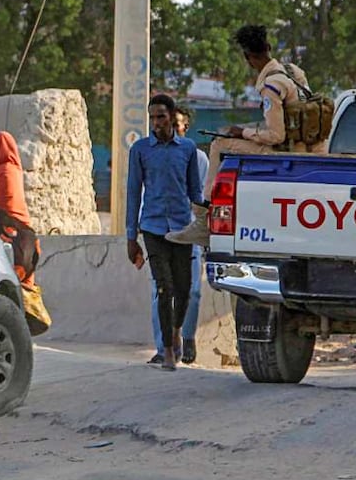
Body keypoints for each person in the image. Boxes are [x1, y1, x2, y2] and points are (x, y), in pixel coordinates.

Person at [167, 24, 323, 247]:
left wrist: (242, 132)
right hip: (307, 146)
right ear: (268, 47)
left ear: (247, 58)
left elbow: (276, 135)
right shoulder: (293, 72)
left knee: (219, 143)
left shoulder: (272, 85)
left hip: (284, 150)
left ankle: (204, 217)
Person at [126, 94, 203, 370]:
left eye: (161, 116)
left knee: (184, 290)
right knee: (163, 287)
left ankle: (177, 330)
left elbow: (195, 191)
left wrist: (206, 223)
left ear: (172, 117)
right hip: (153, 228)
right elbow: (133, 193)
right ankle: (168, 350)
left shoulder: (189, 149)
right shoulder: (141, 150)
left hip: (182, 229)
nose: (156, 122)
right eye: (152, 117)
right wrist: (130, 236)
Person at [147, 106, 206, 365]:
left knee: (191, 291)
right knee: (161, 291)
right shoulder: (148, 153)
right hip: (159, 230)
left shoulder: (197, 157)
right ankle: (164, 347)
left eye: (178, 123)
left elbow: (201, 196)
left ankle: (187, 335)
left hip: (189, 231)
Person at [0, 131, 51, 335]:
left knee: (7, 287)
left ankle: (16, 330)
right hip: (26, 237)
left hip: (11, 237)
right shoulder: (15, 169)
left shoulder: (3, 172)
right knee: (23, 286)